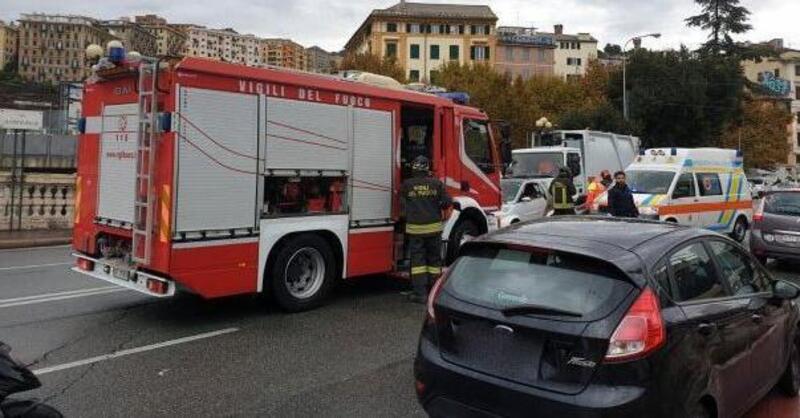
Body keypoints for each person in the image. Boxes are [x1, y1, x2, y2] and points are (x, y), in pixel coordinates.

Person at [400, 156, 452, 304]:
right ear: (427, 168)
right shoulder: (437, 184)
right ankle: (433, 292)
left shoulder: (407, 185)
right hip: (434, 230)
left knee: (417, 263)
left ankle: (419, 294)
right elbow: (447, 203)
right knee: (434, 262)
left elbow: (402, 208)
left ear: (414, 168)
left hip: (415, 231)